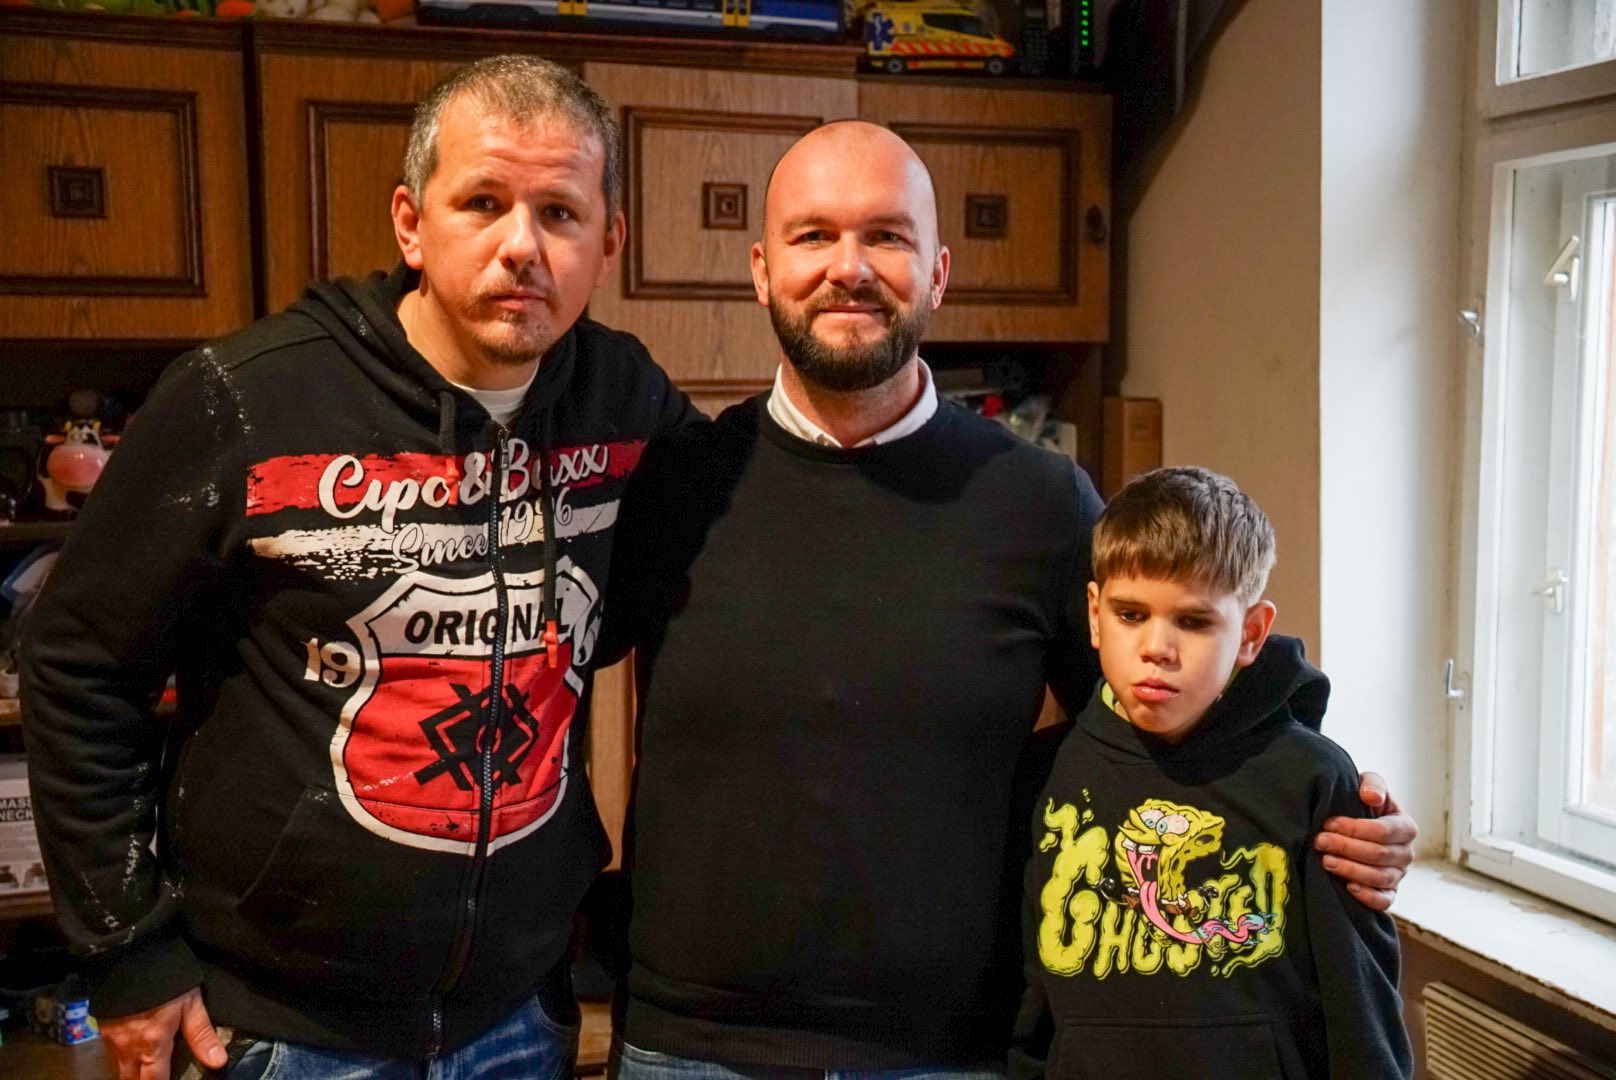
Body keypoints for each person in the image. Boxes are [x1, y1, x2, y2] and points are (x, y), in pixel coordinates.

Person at [603, 120, 1417, 1078]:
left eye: (887, 236)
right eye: (813, 235)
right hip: (688, 1047)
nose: (848, 267)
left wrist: (1326, 797)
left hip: (952, 1054)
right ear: (761, 268)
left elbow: (1164, 700)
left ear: (938, 274)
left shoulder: (1038, 501)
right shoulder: (677, 484)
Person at [21, 55, 697, 1080]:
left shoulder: (622, 394)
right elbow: (77, 665)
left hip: (522, 1013)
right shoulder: (243, 398)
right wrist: (126, 953)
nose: (522, 245)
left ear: (608, 243)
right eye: (482, 203)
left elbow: (703, 553)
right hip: (279, 1028)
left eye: (560, 213)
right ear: (411, 224)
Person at [1010, 466, 1412, 1079]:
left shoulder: (1313, 779)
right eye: (1130, 614)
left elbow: (1362, 1012)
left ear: (1251, 633)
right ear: (1094, 614)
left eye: (1194, 622)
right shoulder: (1047, 771)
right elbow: (1031, 994)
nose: (1156, 648)